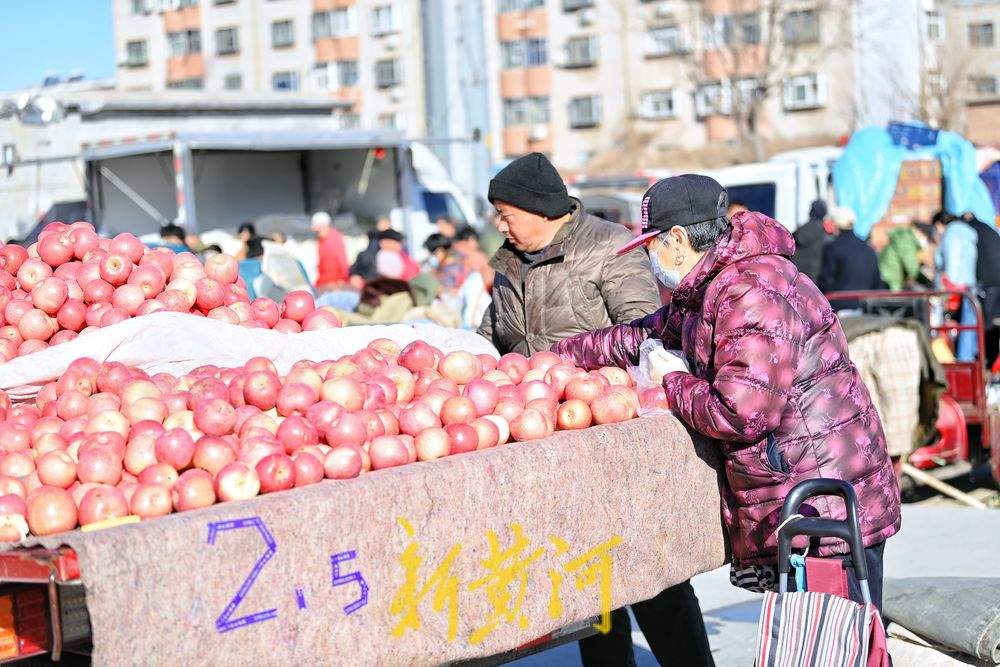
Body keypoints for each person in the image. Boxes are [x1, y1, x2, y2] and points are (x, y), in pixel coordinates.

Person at [553, 174, 901, 615]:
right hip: (798, 492)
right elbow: (642, 335)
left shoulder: (750, 290)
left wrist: (671, 381)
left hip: (820, 502)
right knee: (815, 641)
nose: (647, 257)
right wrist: (557, 356)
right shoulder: (709, 288)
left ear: (677, 240)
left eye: (649, 246)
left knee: (839, 640)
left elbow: (742, 413)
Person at [478, 153, 710, 667]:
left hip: (613, 437)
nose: (499, 223)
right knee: (589, 577)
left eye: (504, 212)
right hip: (548, 437)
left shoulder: (607, 249)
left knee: (651, 569)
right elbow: (493, 333)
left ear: (537, 209)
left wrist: (581, 380)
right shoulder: (511, 262)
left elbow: (648, 333)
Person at [818, 206, 885, 313]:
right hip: (866, 310)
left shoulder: (832, 249)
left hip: (839, 310)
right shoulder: (868, 249)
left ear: (835, 224)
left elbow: (825, 281)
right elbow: (877, 282)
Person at [878, 217, 934, 292]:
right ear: (920, 232)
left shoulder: (905, 238)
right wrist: (929, 283)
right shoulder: (906, 241)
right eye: (927, 238)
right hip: (890, 279)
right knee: (894, 301)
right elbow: (912, 269)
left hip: (888, 276)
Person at [790, 200, 829, 285]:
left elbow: (798, 238)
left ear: (812, 211)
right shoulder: (822, 231)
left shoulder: (810, 228)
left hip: (802, 275)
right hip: (812, 276)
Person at [312, 211, 350, 290]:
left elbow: (342, 260)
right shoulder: (321, 239)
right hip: (323, 279)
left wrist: (344, 279)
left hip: (334, 280)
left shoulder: (335, 238)